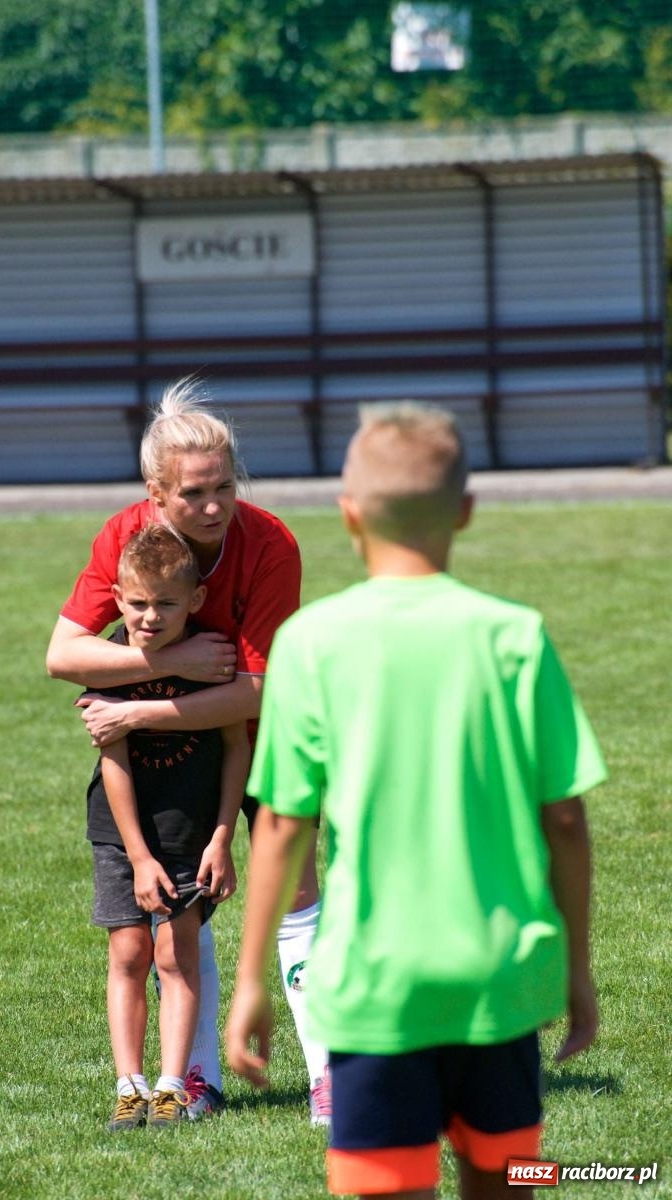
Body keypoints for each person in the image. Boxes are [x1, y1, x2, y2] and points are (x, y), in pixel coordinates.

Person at [226, 401, 607, 1199]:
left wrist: (254, 979)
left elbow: (284, 825)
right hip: (500, 982)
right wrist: (576, 966)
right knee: (504, 1182)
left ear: (348, 514)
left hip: (373, 987)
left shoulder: (312, 644)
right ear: (466, 511)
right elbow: (565, 819)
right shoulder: (515, 635)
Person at [46, 378, 331, 1125]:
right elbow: (62, 655)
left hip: (268, 744)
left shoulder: (269, 542)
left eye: (225, 485)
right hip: (179, 756)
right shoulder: (127, 537)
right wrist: (161, 670)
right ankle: (193, 1080)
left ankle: (333, 1076)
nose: (216, 506)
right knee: (181, 910)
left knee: (298, 896)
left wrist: (138, 714)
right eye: (196, 493)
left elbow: (261, 692)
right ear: (156, 494)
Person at [87, 525, 249, 1130]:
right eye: (137, 603)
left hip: (190, 828)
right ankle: (128, 1085)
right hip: (120, 830)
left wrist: (223, 834)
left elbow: (237, 746)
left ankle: (172, 1085)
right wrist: (138, 856)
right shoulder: (111, 657)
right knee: (129, 951)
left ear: (196, 602)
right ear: (118, 596)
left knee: (174, 955)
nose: (150, 617)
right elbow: (113, 757)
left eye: (166, 603)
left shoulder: (212, 656)